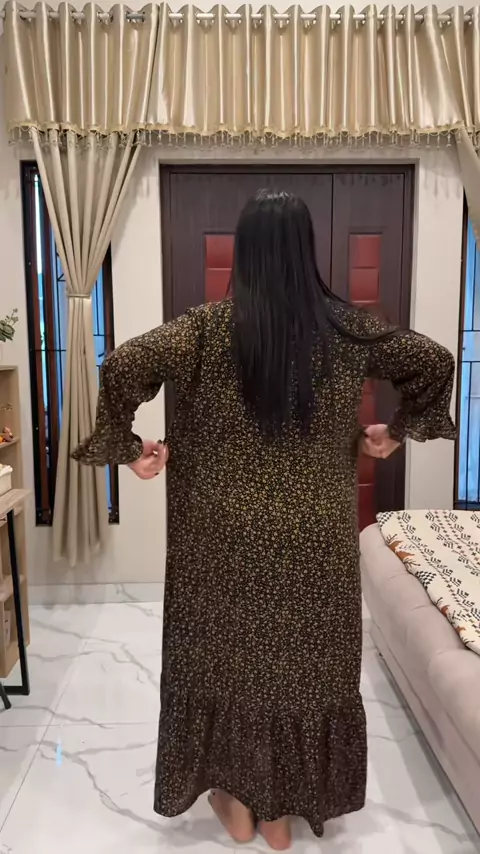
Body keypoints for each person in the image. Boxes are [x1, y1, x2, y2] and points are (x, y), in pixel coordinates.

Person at [73, 190, 456, 851]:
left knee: (221, 664)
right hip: (313, 540)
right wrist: (393, 433)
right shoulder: (347, 329)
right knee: (304, 667)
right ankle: (281, 809)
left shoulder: (202, 331)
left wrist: (131, 451)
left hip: (217, 539)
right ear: (306, 250)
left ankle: (239, 799)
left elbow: (121, 365)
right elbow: (434, 362)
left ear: (245, 254)